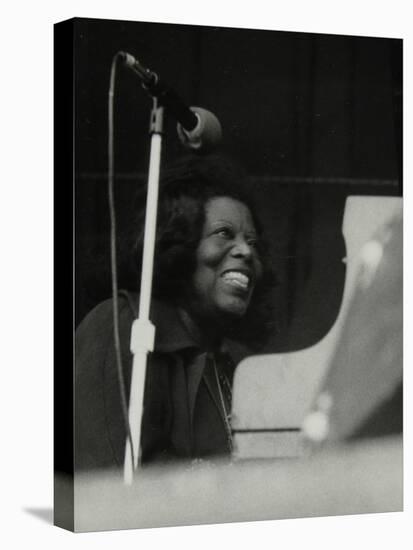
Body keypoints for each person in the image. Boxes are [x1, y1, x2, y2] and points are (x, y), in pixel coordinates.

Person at [75, 155, 274, 471]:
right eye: (225, 233)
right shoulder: (120, 326)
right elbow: (110, 484)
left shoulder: (228, 363)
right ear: (180, 245)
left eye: (252, 242)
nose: (246, 251)